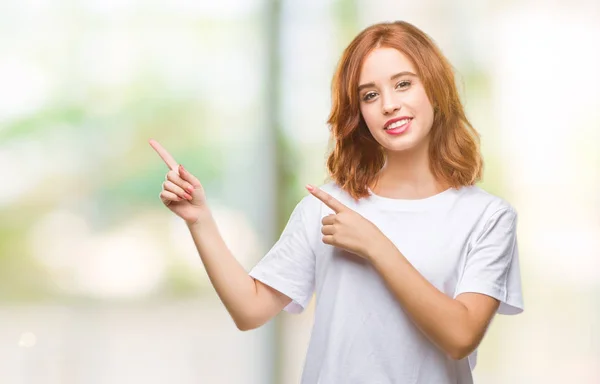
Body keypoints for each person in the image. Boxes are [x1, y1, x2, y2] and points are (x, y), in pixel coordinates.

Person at [150, 20, 524, 384]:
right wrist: (199, 220)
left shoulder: (487, 217)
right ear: (359, 113)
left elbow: (461, 336)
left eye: (404, 84)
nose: (389, 104)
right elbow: (250, 309)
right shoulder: (327, 204)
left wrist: (375, 245)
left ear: (435, 89)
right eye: (370, 95)